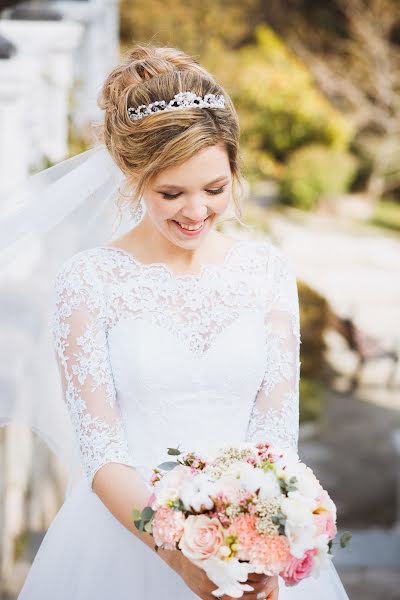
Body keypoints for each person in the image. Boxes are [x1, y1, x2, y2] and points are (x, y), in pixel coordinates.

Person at [4, 44, 350, 599]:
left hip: (252, 543)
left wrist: (262, 544)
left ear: (235, 168)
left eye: (215, 189)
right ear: (133, 176)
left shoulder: (266, 271)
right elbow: (102, 453)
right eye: (171, 193)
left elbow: (274, 436)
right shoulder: (89, 281)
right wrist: (180, 555)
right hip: (123, 541)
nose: (195, 212)